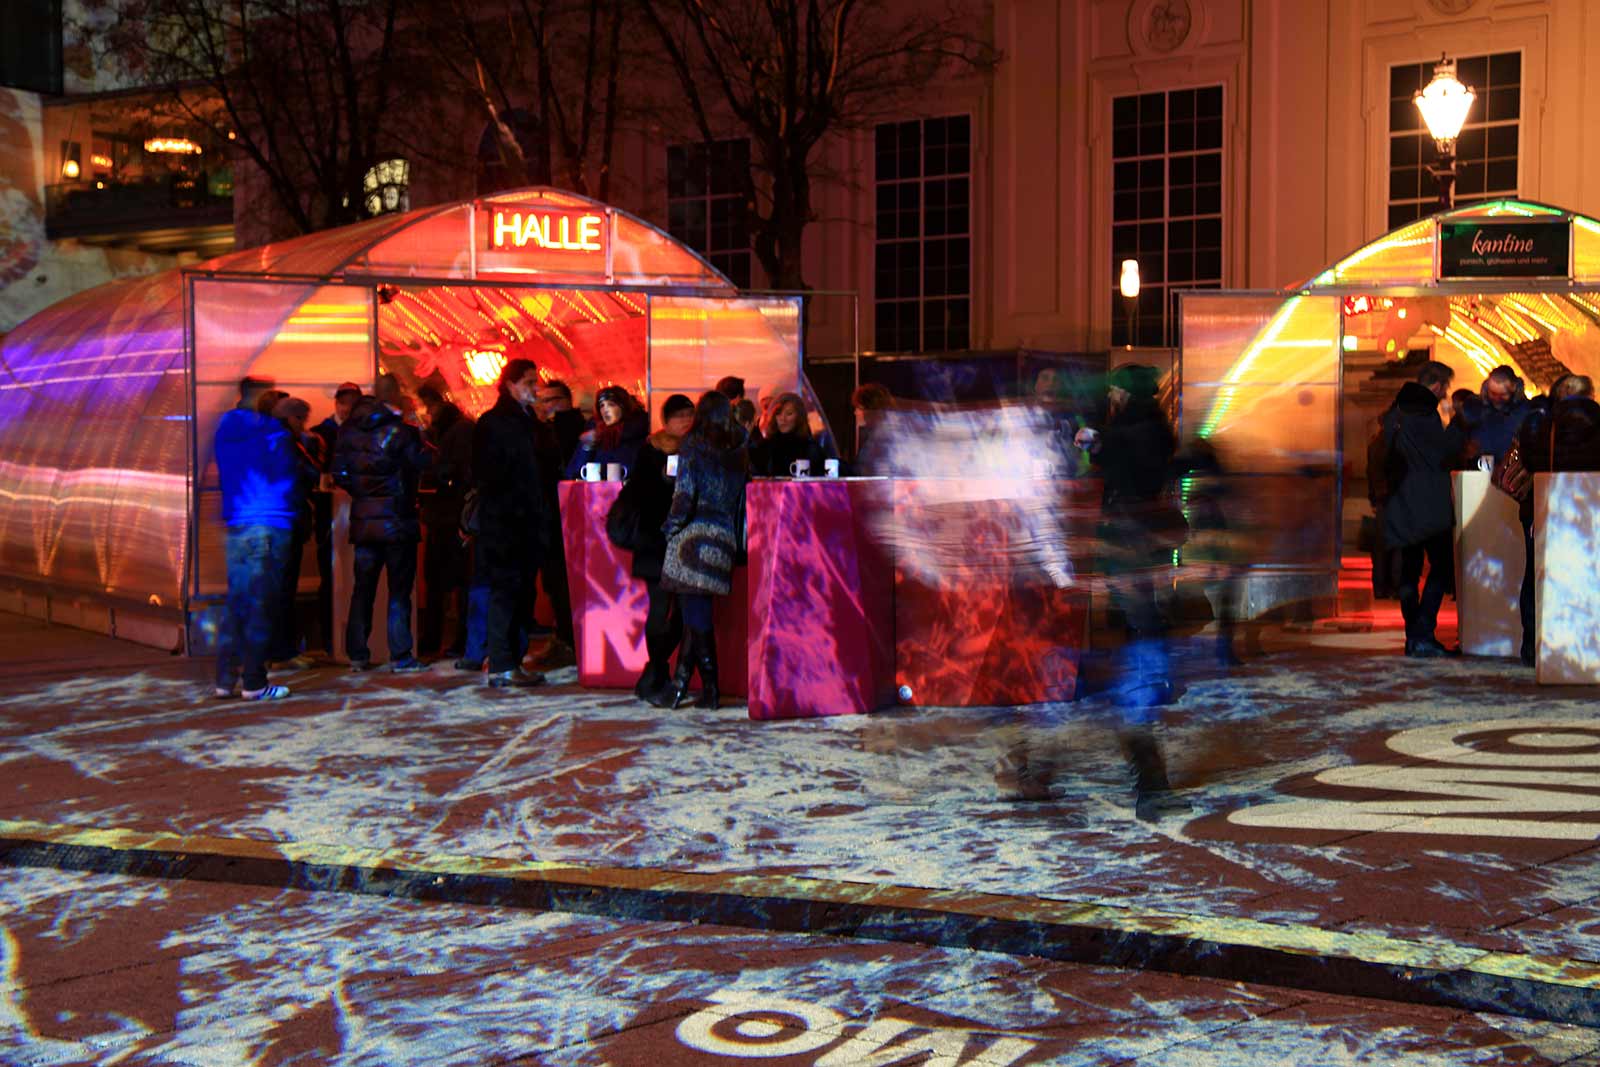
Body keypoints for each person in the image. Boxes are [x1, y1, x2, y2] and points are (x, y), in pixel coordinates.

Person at [1074, 363, 1188, 821]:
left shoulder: (1138, 430)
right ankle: (1150, 781)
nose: (1114, 396)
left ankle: (1150, 782)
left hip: (1130, 543)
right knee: (1136, 645)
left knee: (1136, 647)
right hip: (1133, 546)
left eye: (1118, 389)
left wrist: (1093, 440)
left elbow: (1116, 458)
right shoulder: (1148, 427)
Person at [655, 390, 749, 710]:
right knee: (698, 613)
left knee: (696, 614)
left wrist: (668, 529)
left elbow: (684, 497)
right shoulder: (740, 447)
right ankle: (693, 686)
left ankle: (705, 688)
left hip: (693, 535)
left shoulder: (693, 446)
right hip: (723, 536)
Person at [333, 389, 433, 672]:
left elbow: (339, 473)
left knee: (362, 589)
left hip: (364, 522)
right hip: (398, 520)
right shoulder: (400, 431)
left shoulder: (347, 432)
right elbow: (424, 462)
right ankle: (400, 655)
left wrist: (363, 495)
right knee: (399, 591)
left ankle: (357, 654)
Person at [212, 377, 298, 701]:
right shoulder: (271, 431)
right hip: (269, 521)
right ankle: (254, 682)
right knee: (262, 604)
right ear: (263, 398)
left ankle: (224, 679)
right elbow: (285, 473)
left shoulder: (225, 427)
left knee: (237, 602)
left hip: (237, 522)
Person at [1380, 360, 1465, 658]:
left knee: (1409, 573)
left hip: (1400, 503)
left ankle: (1412, 635)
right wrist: (1457, 425)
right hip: (1429, 503)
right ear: (1439, 385)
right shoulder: (1425, 415)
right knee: (1441, 568)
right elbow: (1444, 451)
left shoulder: (1394, 415)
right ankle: (1423, 632)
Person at [473, 358, 549, 688]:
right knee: (507, 593)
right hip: (507, 524)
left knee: (519, 594)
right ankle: (503, 662)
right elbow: (489, 475)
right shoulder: (497, 423)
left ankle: (510, 661)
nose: (535, 388)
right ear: (511, 384)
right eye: (529, 382)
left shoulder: (526, 421)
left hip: (522, 522)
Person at [1513, 374, 1599, 666]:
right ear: (1591, 394)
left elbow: (1528, 462)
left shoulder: (1541, 424)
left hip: (1543, 507)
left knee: (1535, 575)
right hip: (1589, 510)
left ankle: (1533, 645)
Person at [626, 393, 696, 700]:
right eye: (678, 416)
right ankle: (656, 671)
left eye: (688, 415)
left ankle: (654, 671)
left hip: (684, 542)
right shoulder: (651, 450)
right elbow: (641, 494)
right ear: (665, 421)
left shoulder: (697, 450)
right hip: (656, 541)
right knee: (661, 608)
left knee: (682, 612)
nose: (685, 422)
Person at [417, 385, 474, 659]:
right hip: (449, 515)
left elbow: (455, 471)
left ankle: (441, 639)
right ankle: (451, 640)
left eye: (429, 406)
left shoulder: (454, 433)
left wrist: (436, 474)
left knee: (446, 581)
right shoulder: (453, 431)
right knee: (452, 582)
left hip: (448, 515)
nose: (427, 412)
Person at [265, 396, 321, 668]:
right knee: (283, 589)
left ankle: (269, 650)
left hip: (270, 521)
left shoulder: (264, 439)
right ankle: (282, 650)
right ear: (291, 418)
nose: (303, 425)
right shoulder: (286, 442)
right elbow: (306, 474)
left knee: (274, 588)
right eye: (301, 419)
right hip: (286, 521)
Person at [309, 382, 363, 654]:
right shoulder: (321, 435)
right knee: (331, 576)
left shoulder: (359, 432)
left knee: (354, 575)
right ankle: (331, 637)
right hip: (329, 516)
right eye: (344, 402)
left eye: (353, 403)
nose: (348, 407)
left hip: (355, 514)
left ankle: (348, 639)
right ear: (337, 404)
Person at [565, 385, 649, 479]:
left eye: (611, 404)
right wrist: (586, 448)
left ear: (624, 407)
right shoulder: (594, 433)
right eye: (602, 405)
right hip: (595, 491)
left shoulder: (638, 433)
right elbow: (573, 473)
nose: (605, 410)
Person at [750, 392, 835, 476]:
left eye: (789, 414)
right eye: (778, 414)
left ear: (799, 417)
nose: (783, 419)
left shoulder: (810, 447)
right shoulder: (767, 446)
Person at [1473, 365, 1530, 464]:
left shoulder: (1525, 410)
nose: (1497, 399)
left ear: (1513, 388)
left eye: (1503, 395)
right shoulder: (1476, 407)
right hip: (1482, 465)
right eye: (1493, 393)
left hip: (1511, 467)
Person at [535, 379, 588, 473]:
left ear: (566, 400)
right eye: (543, 401)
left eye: (548, 400)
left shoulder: (580, 427)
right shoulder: (545, 427)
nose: (544, 405)